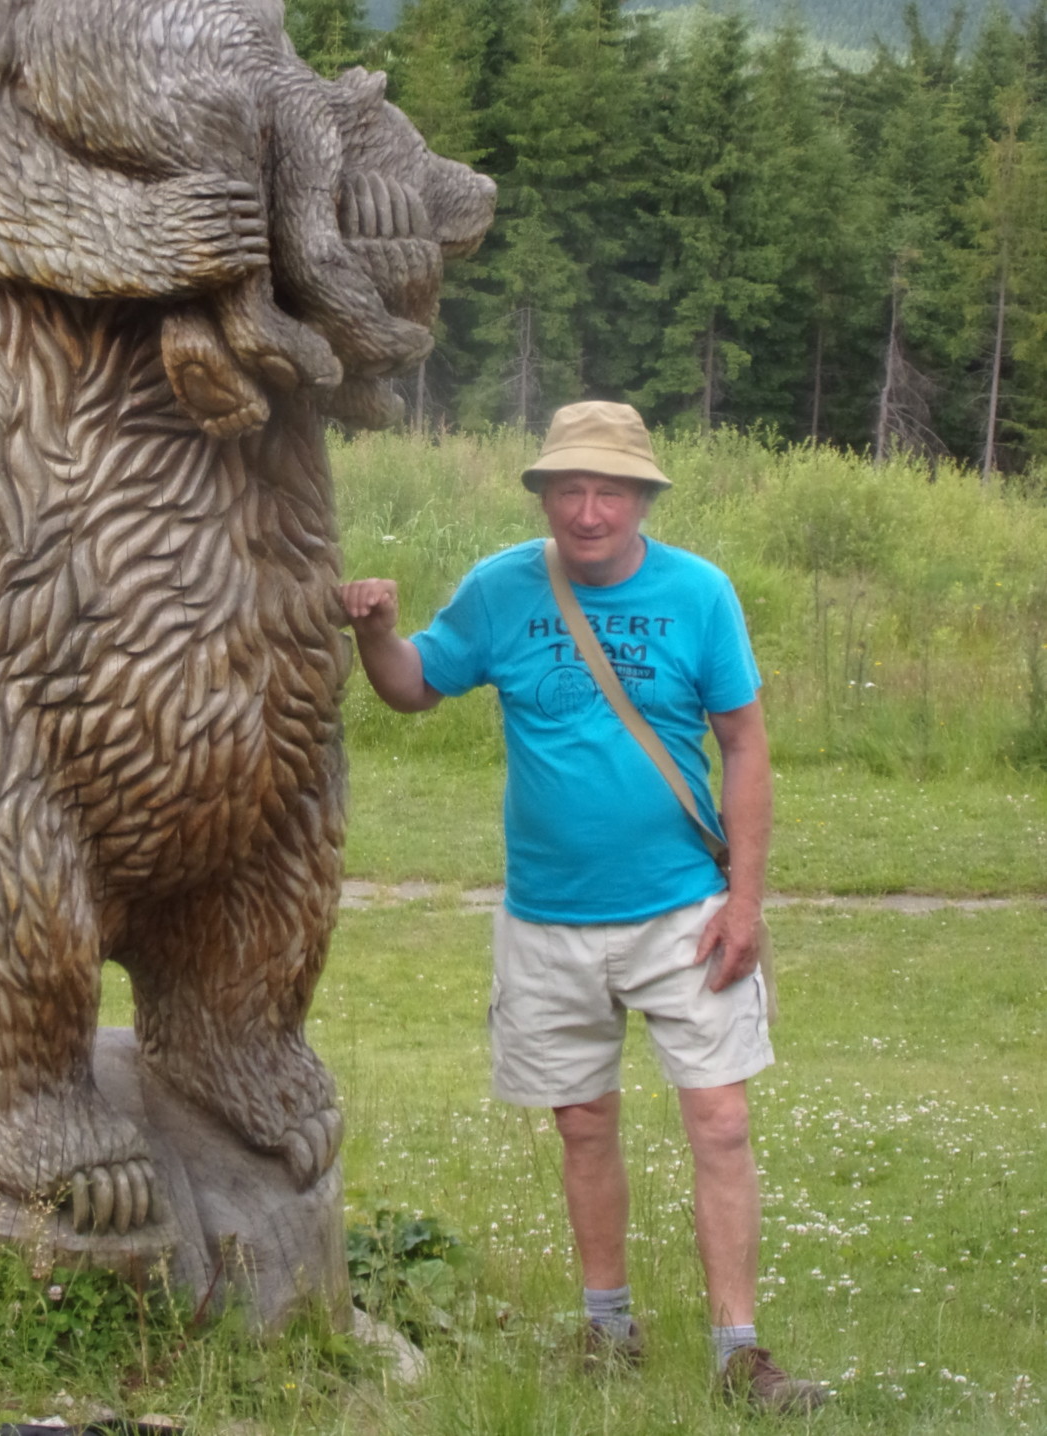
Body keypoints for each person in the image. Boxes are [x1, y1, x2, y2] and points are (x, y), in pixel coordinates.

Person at [338, 400, 826, 1414]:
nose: (589, 510)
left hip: (683, 911)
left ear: (642, 498)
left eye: (609, 490)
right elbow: (414, 687)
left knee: (721, 1121)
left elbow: (744, 744)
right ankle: (609, 1333)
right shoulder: (501, 588)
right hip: (548, 916)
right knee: (581, 1122)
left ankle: (740, 1354)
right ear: (545, 495)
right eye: (570, 488)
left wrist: (744, 901)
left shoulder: (699, 594)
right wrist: (376, 634)